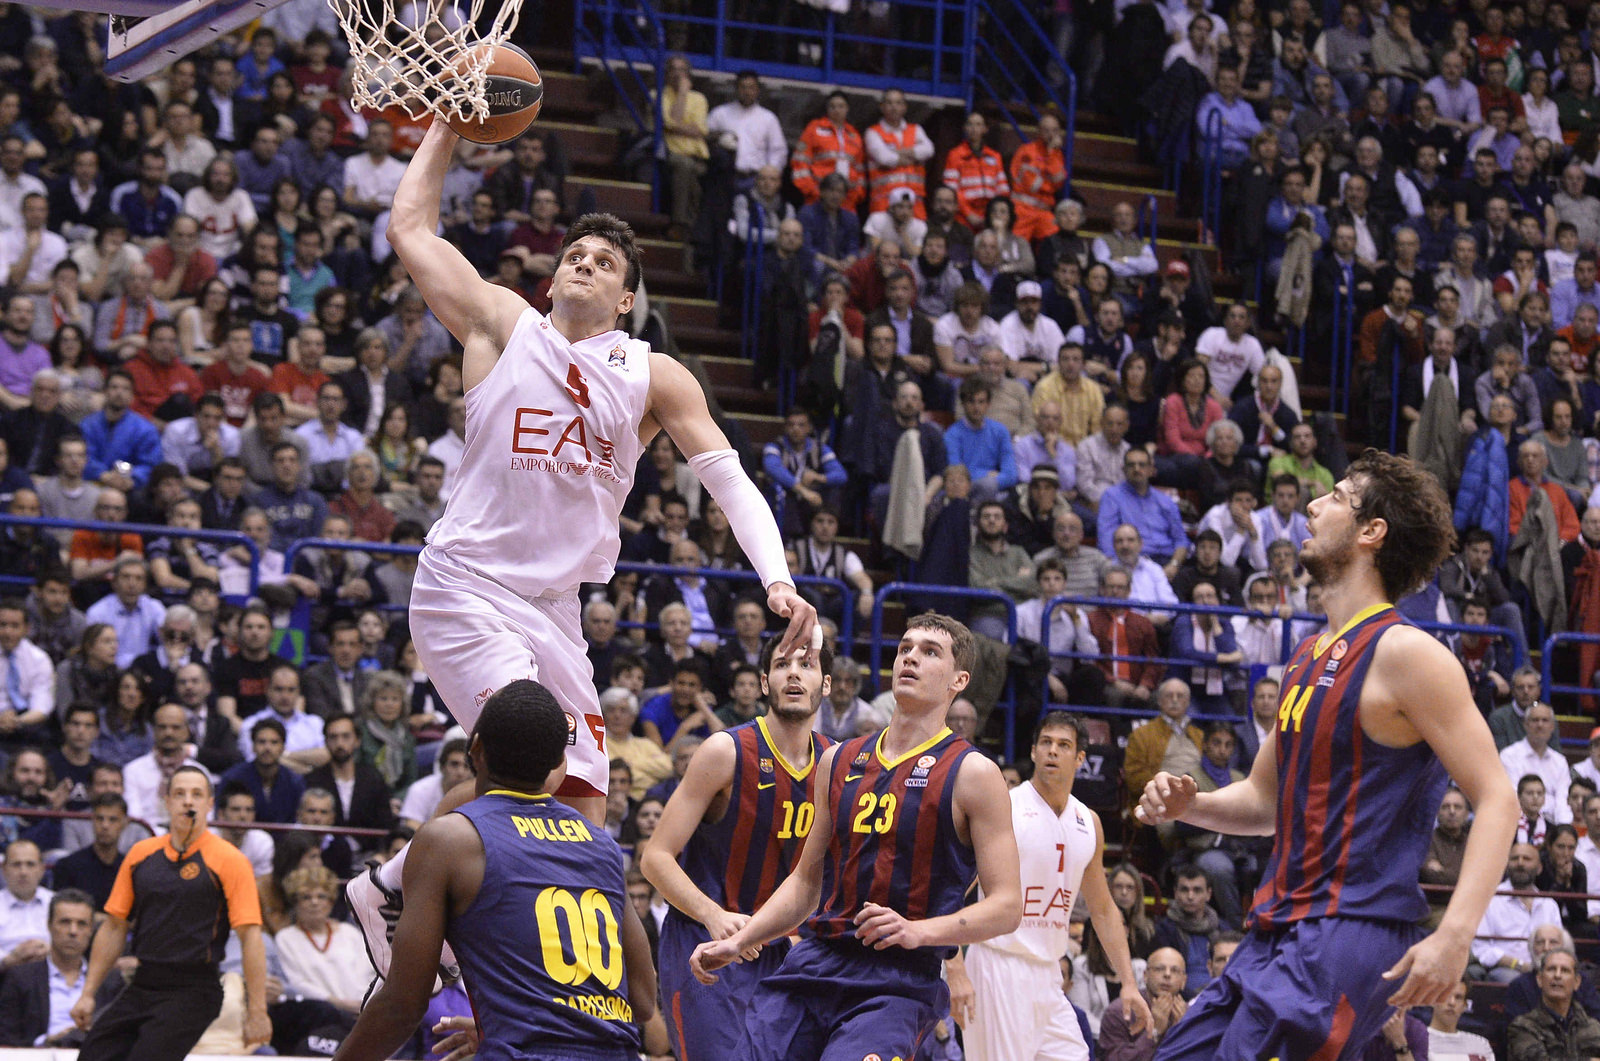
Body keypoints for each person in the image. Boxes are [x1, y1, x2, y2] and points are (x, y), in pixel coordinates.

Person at [348, 121, 815, 967]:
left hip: (554, 612)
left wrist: (777, 580)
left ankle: (390, 882)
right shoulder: (500, 325)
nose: (584, 264)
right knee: (528, 747)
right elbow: (411, 229)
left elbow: (728, 475)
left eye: (604, 262)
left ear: (628, 299)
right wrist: (453, 125)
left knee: (584, 800)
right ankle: (422, 902)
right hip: (464, 585)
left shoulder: (651, 374)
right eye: (575, 255)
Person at [1137, 450, 1519, 1058]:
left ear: (1372, 533)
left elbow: (1499, 797)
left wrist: (1456, 934)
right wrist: (1192, 805)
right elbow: (1265, 802)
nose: (1314, 505)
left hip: (1350, 930)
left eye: (1336, 496)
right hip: (1273, 929)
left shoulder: (1408, 654)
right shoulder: (1306, 655)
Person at [689, 615, 1022, 1061]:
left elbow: (1007, 906)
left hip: (897, 981)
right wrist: (742, 937)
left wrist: (918, 931)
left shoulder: (974, 773)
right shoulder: (840, 759)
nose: (911, 658)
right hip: (816, 963)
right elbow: (807, 881)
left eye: (930, 652)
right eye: (905, 648)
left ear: (958, 681)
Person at [330, 680, 658, 1061]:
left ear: (475, 748)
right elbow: (643, 999)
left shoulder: (450, 839)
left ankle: (378, 889)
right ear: (559, 765)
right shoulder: (600, 844)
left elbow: (403, 1005)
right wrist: (505, 1021)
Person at [640, 634, 836, 1061]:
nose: (795, 674)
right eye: (783, 665)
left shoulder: (835, 765)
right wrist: (713, 915)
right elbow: (654, 857)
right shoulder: (725, 751)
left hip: (787, 949)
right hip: (708, 942)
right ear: (765, 682)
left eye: (807, 665)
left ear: (827, 685)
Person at [948, 711, 1151, 1060]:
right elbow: (952, 889)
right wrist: (954, 969)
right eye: (1046, 743)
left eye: (1063, 745)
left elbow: (1103, 909)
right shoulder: (1005, 808)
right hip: (999, 968)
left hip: (1050, 974)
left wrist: (1129, 983)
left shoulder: (1089, 822)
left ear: (1080, 758)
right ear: (1033, 752)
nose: (1052, 751)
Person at [69, 764, 271, 1058]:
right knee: (93, 1054)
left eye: (197, 794)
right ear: (167, 802)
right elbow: (114, 926)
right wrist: (88, 994)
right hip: (143, 982)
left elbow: (251, 936)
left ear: (209, 804)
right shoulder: (141, 854)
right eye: (179, 793)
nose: (188, 801)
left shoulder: (230, 859)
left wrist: (258, 1010)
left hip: (195, 989)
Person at [0, 888, 119, 1048]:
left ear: (91, 930)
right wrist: (45, 1042)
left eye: (81, 924)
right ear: (49, 925)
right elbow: (6, 1038)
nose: (73, 931)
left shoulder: (110, 980)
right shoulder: (20, 978)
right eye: (65, 922)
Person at [1506, 948, 1600, 1059]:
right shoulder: (1522, 1027)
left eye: (1565, 970)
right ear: (1540, 979)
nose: (1557, 975)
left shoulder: (1593, 1027)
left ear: (1577, 982)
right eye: (1551, 969)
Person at [1427, 977, 1496, 1060]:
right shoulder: (1417, 1040)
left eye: (1458, 997)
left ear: (1465, 1006)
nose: (1452, 1002)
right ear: (1432, 1000)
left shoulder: (1480, 1044)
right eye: (1446, 995)